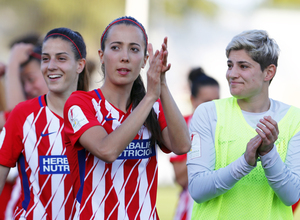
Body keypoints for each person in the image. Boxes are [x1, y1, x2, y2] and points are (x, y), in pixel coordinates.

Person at [63, 16, 191, 219]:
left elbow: (183, 146)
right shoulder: (80, 103)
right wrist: (150, 96)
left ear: (145, 61)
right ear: (102, 56)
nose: (125, 57)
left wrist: (162, 83)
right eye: (115, 48)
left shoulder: (153, 107)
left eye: (134, 49)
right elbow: (107, 150)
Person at [187, 29, 300, 220]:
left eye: (243, 66)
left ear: (269, 72)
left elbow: (291, 196)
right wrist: (244, 163)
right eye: (230, 65)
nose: (232, 74)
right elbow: (197, 189)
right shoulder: (207, 113)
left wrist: (268, 153)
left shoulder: (294, 119)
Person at [0, 27, 89, 219]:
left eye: (61, 58)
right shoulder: (23, 115)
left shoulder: (98, 112)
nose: (51, 66)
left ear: (80, 65)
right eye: (46, 59)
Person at [170, 67, 219, 220]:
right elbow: (181, 179)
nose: (213, 107)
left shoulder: (227, 125)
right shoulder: (182, 125)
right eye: (206, 102)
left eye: (217, 101)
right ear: (193, 100)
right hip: (191, 209)